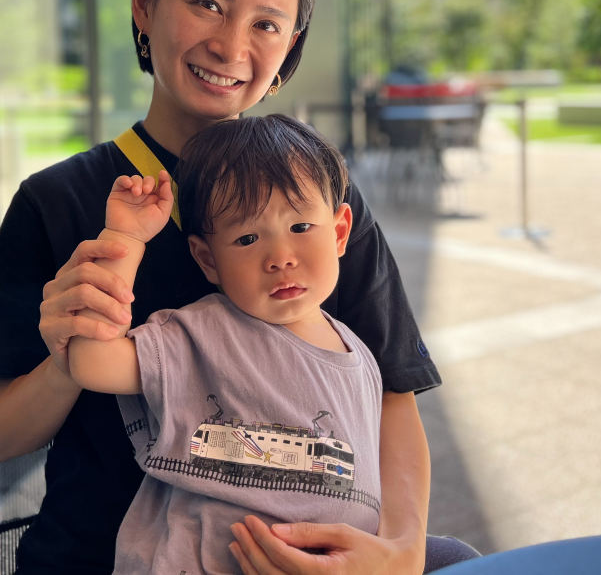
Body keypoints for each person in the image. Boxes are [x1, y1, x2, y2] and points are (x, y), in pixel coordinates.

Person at [0, 0, 451, 575]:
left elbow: (393, 391)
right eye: (207, 4)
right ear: (144, 2)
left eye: (268, 24)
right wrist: (68, 355)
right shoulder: (59, 202)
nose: (231, 46)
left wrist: (399, 550)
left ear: (290, 49)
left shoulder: (323, 198)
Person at [69, 115, 381, 575]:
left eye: (300, 227)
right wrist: (125, 240)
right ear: (207, 259)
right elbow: (91, 362)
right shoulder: (205, 334)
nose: (280, 258)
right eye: (247, 238)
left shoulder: (360, 355)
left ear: (338, 232)